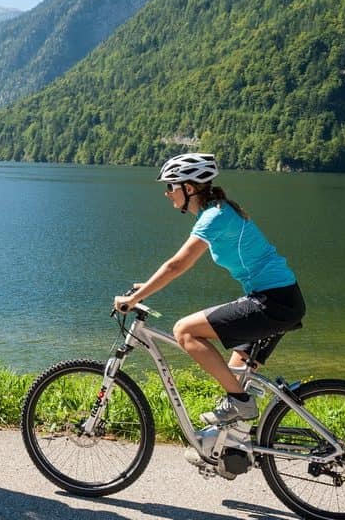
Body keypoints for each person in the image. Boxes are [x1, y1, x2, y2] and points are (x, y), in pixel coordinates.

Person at [114, 152, 305, 426]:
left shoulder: (214, 217)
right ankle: (234, 447)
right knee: (236, 373)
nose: (167, 193)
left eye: (171, 185)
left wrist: (134, 299)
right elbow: (176, 267)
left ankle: (241, 402)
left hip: (273, 302)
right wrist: (147, 287)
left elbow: (177, 265)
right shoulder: (217, 212)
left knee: (185, 331)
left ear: (188, 188)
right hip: (279, 300)